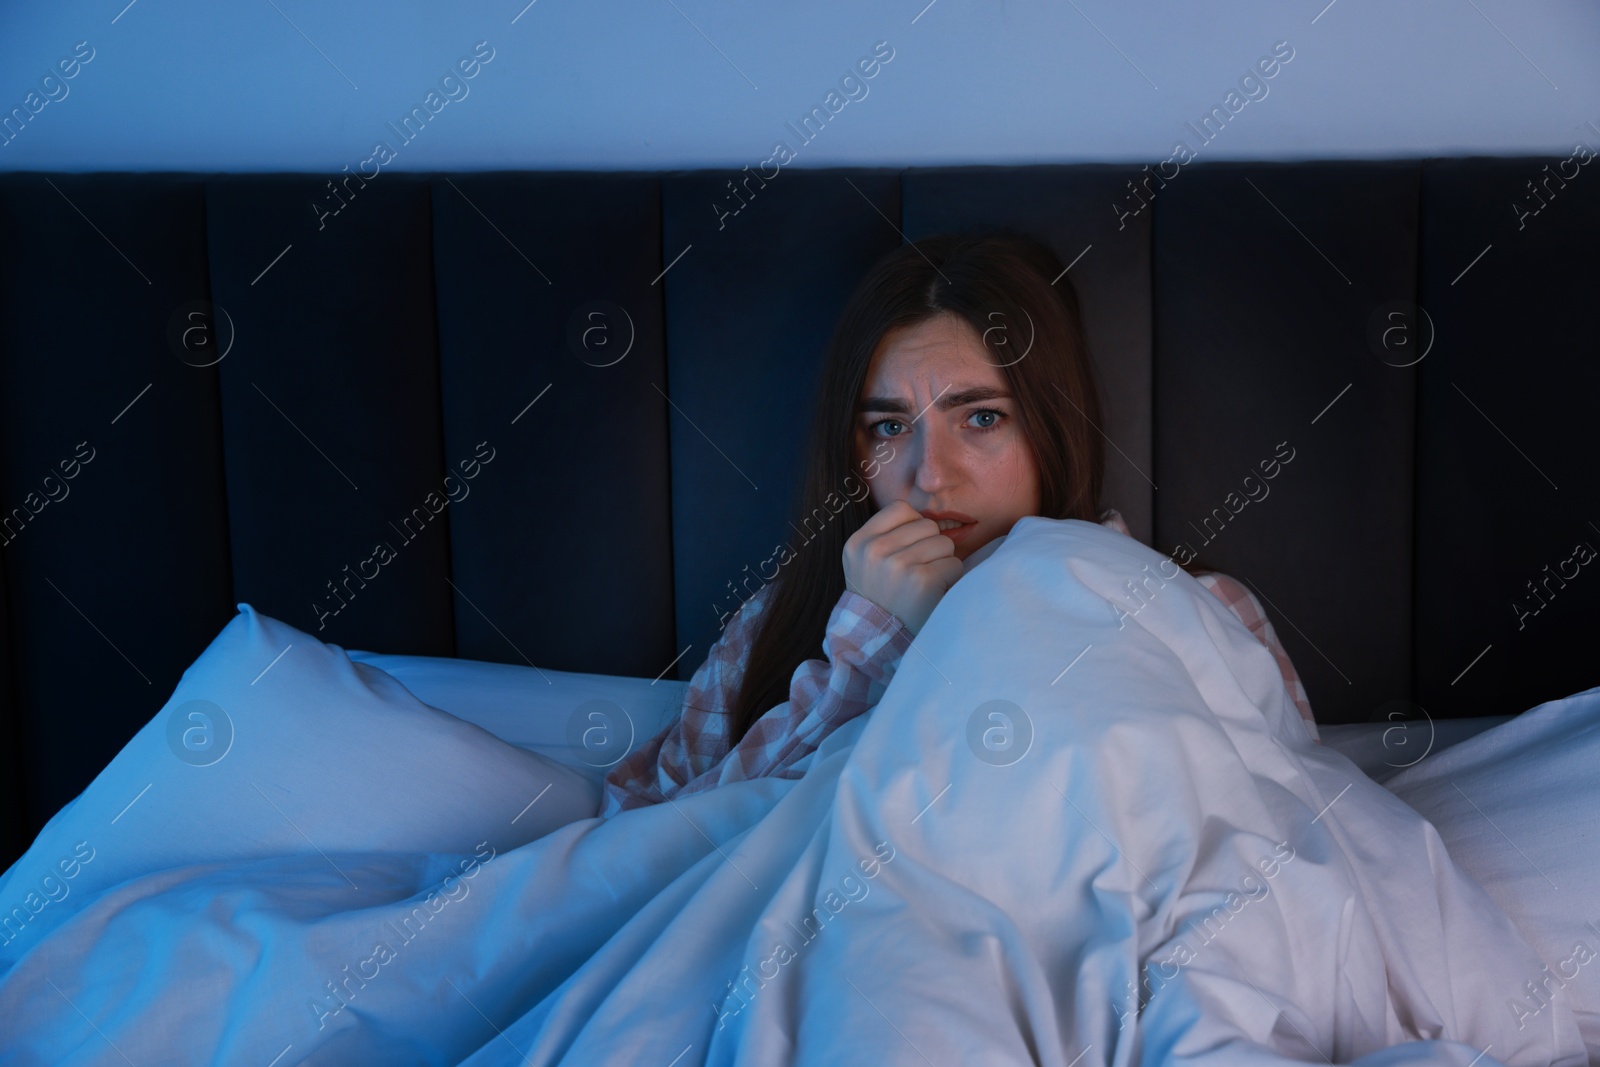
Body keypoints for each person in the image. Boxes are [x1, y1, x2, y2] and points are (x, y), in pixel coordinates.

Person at [600, 232, 1316, 818]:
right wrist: (866, 654)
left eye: (981, 418)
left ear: (1053, 428)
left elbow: (1287, 824)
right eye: (888, 425)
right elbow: (646, 839)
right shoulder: (772, 623)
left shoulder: (1205, 609)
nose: (931, 475)